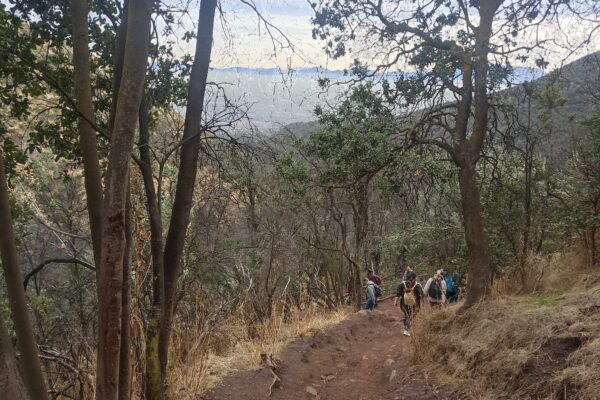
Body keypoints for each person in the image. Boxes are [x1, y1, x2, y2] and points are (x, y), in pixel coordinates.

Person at [394, 271, 423, 337]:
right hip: (413, 305)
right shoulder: (417, 285)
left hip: (403, 304)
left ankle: (406, 327)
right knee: (410, 316)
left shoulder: (402, 284)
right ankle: (406, 330)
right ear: (414, 278)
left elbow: (398, 294)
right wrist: (420, 304)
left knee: (407, 315)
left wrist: (395, 301)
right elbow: (420, 296)